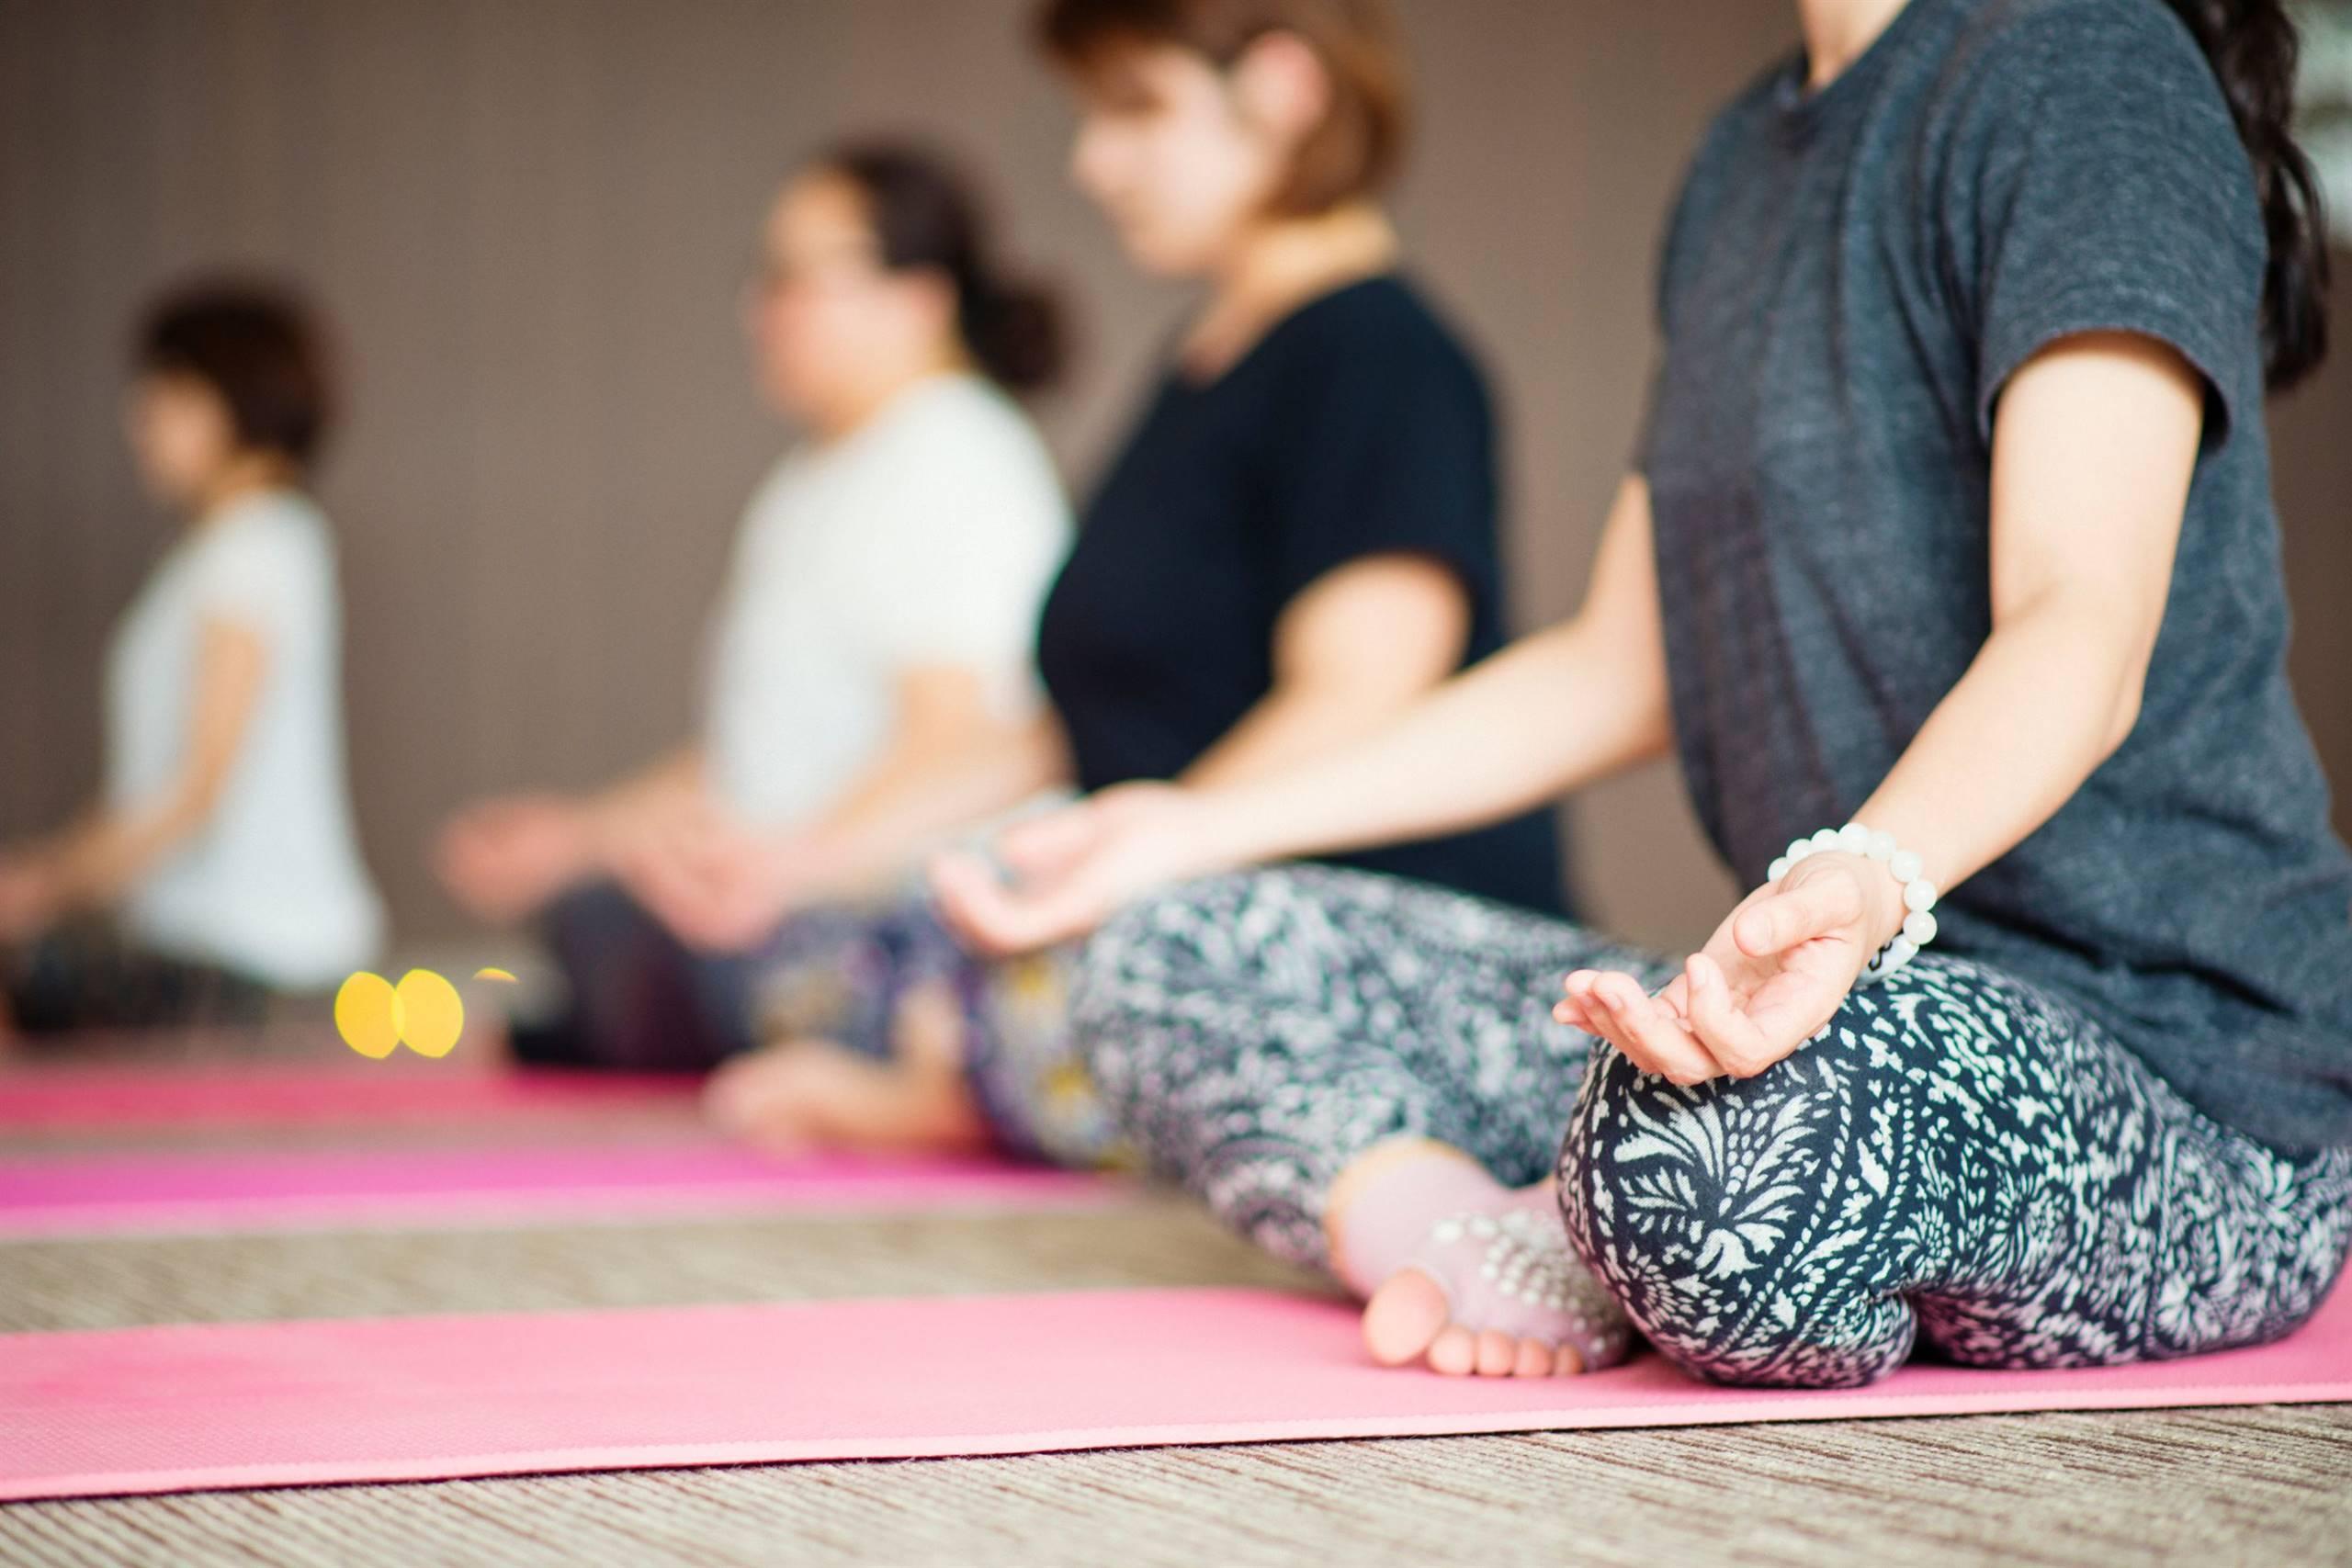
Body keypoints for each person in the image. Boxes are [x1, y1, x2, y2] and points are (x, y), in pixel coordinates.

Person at [935, 0, 2352, 1387]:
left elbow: (2078, 625)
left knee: (1718, 1160)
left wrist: (1860, 882)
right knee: (1169, 944)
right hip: (1815, 1030)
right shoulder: (1742, 159)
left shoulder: (2083, 58)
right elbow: (1615, 667)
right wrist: (1184, 824)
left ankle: (1608, 1211)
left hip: (2180, 1074)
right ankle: (1501, 1243)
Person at [688, 0, 1573, 1164]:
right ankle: (970, 1068)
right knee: (815, 935)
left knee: (1078, 979)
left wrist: (1141, 864)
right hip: (1171, 883)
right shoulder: (1201, 363)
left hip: (1345, 923)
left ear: (1284, 85)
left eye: (1138, 112)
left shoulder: (1381, 358)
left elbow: (1360, 700)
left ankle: (970, 1089)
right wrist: (809, 856)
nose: (1093, 163)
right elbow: (1081, 725)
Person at [435, 141, 1074, 1073]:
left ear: (917, 298)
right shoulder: (807, 484)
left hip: (885, 911)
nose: (758, 311)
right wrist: (579, 836)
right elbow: (750, 763)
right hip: (786, 892)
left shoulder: (955, 454)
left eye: (789, 279)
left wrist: (791, 868)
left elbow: (966, 740)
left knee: (633, 940)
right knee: (594, 913)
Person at [0, 281, 384, 1038]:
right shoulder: (229, 548)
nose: (139, 422)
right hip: (214, 942)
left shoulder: (255, 544)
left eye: (166, 397)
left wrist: (40, 883)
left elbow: (192, 787)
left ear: (232, 404)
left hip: (256, 951)